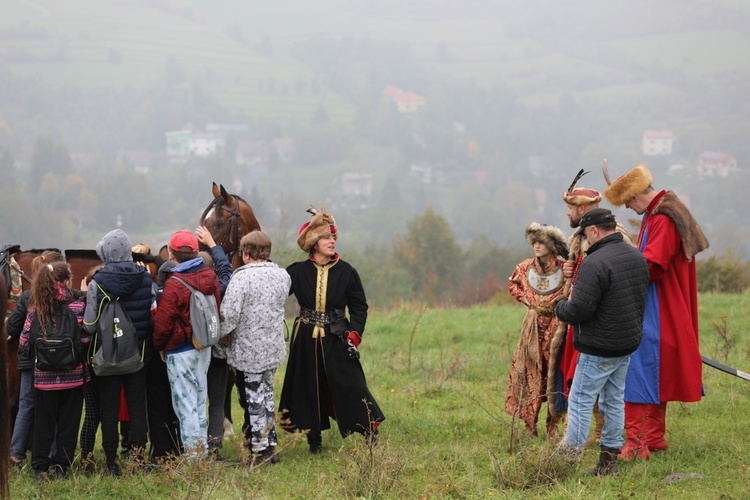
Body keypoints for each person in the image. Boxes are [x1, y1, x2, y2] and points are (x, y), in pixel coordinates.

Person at [604, 163, 709, 460]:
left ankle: (637, 445)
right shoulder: (664, 209)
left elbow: (651, 265)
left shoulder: (663, 217)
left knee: (638, 370)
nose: (628, 207)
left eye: (628, 202)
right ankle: (653, 438)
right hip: (662, 302)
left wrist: (616, 277)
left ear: (637, 195)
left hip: (658, 306)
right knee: (653, 372)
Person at [280, 207, 385, 453]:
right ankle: (313, 440)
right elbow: (275, 296)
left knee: (351, 383)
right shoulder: (296, 271)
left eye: (333, 237)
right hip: (305, 338)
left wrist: (353, 334)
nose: (332, 241)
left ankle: (369, 430)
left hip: (338, 335)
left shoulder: (347, 272)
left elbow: (359, 307)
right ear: (314, 242)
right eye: (327, 237)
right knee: (308, 386)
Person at [555, 208, 649, 475]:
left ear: (595, 231)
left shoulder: (595, 263)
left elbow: (579, 310)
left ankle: (566, 461)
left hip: (599, 347)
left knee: (581, 400)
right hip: (626, 343)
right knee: (613, 400)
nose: (585, 241)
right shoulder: (636, 257)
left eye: (585, 235)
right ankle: (608, 462)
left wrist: (559, 307)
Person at [549, 180, 635, 446]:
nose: (567, 213)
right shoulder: (581, 236)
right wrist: (570, 271)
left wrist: (563, 306)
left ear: (583, 208)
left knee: (583, 395)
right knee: (601, 390)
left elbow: (616, 277)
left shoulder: (614, 235)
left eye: (571, 207)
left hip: (600, 324)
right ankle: (608, 450)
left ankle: (576, 449)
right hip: (589, 322)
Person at [83, 229, 154, 476]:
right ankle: (138, 460)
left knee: (109, 410)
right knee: (137, 408)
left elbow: (89, 326)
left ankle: (111, 462)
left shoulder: (98, 282)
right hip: (138, 355)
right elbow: (150, 313)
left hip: (106, 356)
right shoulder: (145, 278)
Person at [220, 230, 290, 464]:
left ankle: (260, 451)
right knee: (267, 394)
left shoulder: (240, 279)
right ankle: (270, 443)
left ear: (245, 253)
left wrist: (222, 335)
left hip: (248, 350)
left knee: (253, 398)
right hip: (273, 346)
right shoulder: (283, 276)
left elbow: (229, 315)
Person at [152, 229, 222, 459]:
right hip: (203, 346)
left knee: (186, 406)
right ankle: (202, 451)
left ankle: (195, 460)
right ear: (196, 252)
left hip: (179, 350)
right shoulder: (210, 278)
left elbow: (163, 322)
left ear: (172, 254)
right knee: (200, 401)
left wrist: (159, 345)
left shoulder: (174, 284)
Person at [18, 261, 87, 480]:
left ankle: (40, 466)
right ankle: (61, 467)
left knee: (43, 424)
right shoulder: (77, 308)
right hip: (73, 377)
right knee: (68, 423)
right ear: (67, 281)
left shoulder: (35, 311)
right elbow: (85, 338)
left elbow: (23, 342)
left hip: (44, 379)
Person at [505, 222, 569, 438]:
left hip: (556, 326)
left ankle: (553, 425)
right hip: (531, 328)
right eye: (535, 242)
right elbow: (513, 284)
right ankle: (530, 425)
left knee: (555, 374)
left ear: (552, 245)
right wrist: (527, 302)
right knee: (530, 372)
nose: (537, 246)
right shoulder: (524, 268)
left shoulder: (563, 269)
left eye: (542, 242)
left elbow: (572, 289)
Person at [7, 251, 67, 467]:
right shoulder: (68, 296)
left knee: (26, 406)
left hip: (30, 361)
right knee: (54, 409)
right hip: (59, 362)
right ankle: (51, 453)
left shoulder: (26, 298)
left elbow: (12, 326)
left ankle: (15, 453)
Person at [195, 225, 233, 458]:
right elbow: (226, 269)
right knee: (216, 401)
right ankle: (215, 446)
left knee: (195, 400)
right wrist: (213, 244)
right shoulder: (220, 287)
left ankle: (194, 447)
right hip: (218, 352)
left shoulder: (182, 286)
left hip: (192, 351)